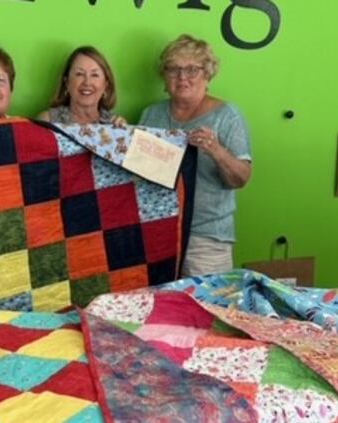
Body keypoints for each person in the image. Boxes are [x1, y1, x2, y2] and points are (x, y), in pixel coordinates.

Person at [139, 34, 252, 277]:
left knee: (205, 310)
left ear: (207, 74)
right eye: (173, 69)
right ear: (164, 76)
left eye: (192, 69)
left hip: (205, 240)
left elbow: (242, 178)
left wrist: (216, 150)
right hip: (157, 234)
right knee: (159, 310)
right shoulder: (151, 115)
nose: (182, 77)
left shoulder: (226, 116)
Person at [37, 46, 125, 125]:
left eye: (94, 75)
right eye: (79, 74)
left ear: (106, 85)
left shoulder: (115, 123)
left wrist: (124, 132)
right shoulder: (48, 121)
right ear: (67, 82)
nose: (87, 82)